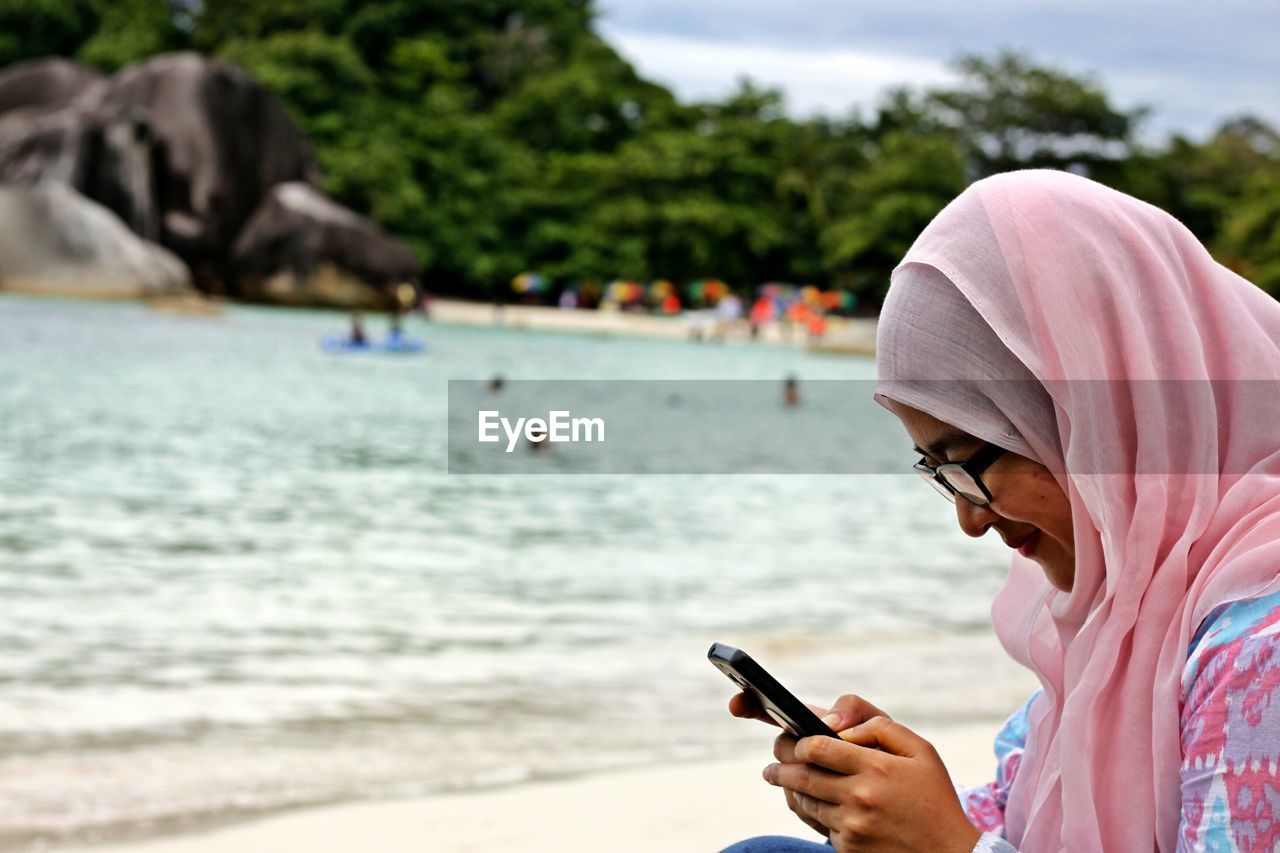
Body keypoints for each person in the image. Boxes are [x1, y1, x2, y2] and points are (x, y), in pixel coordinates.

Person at [722, 170, 1280, 852]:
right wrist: (877, 793)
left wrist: (948, 846)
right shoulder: (1128, 606)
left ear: (1099, 417)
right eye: (937, 472)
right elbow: (1015, 818)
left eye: (969, 464)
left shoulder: (1260, 641)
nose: (970, 519)